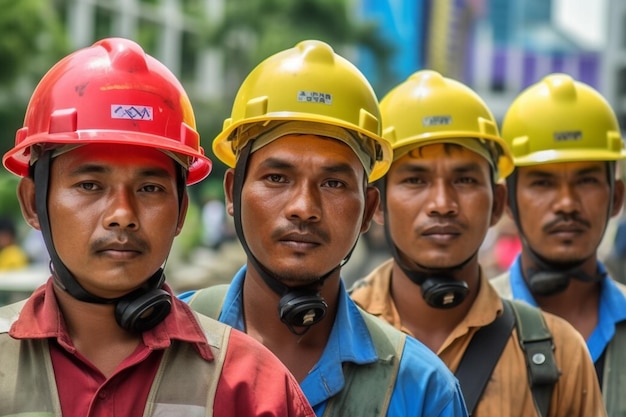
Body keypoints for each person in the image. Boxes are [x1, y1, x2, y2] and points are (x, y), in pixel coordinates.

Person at [0, 37, 314, 417]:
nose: (122, 214)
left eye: (150, 188)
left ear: (181, 211)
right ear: (33, 202)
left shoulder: (252, 388)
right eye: (89, 185)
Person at [180, 40, 468, 416]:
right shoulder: (165, 345)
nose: (303, 208)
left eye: (333, 183)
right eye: (278, 177)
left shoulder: (422, 390)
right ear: (233, 192)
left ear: (369, 211)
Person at [349, 70, 605, 416]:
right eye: (415, 180)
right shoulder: (334, 336)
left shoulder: (560, 354)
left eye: (465, 179)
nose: (442, 203)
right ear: (376, 204)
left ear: (498, 204)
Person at [490, 73, 626, 415]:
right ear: (507, 201)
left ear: (617, 198)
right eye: (543, 182)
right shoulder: (471, 327)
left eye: (587, 180)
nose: (566, 202)